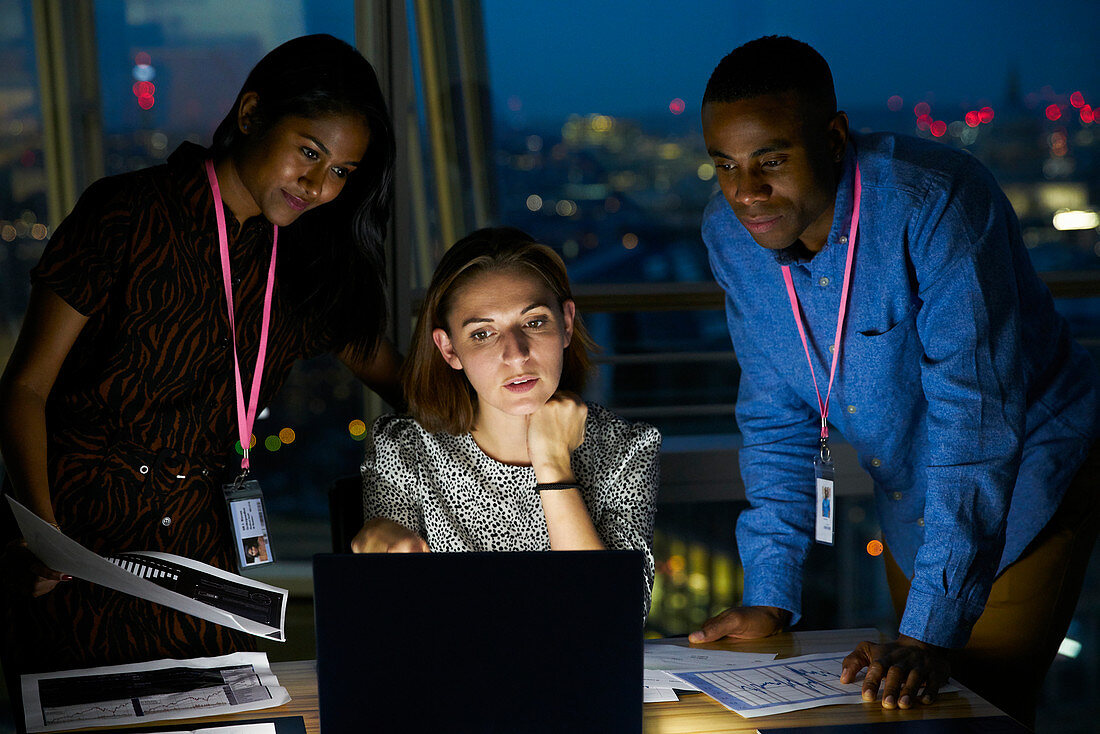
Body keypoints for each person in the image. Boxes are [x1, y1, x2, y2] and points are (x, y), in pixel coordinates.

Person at [689, 36, 1100, 727]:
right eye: (724, 165)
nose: (745, 192)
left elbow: (977, 421)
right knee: (907, 704)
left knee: (975, 705)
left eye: (772, 160)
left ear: (834, 136)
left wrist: (929, 633)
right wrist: (769, 594)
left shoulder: (935, 200)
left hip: (1027, 468)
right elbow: (775, 417)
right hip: (910, 493)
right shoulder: (730, 235)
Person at [0, 34, 403, 683]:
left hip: (207, 582)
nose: (319, 186)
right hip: (80, 564)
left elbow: (406, 383)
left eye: (342, 173)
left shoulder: (302, 269)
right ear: (250, 115)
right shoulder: (125, 214)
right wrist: (40, 538)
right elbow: (24, 388)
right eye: (309, 152)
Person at [350, 227, 660, 614]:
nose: (515, 354)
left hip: (575, 674)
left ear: (565, 323)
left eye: (533, 323)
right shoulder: (404, 450)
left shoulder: (625, 449)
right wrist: (377, 545)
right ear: (449, 349)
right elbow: (391, 620)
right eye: (482, 333)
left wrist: (551, 463)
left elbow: (614, 617)